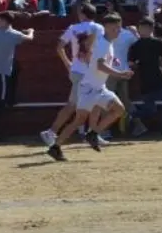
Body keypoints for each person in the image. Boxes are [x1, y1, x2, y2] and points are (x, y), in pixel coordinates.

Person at [46, 12, 132, 161]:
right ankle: (56, 147)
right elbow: (100, 65)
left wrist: (113, 61)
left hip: (99, 87)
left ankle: (93, 133)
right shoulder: (103, 44)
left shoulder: (107, 42)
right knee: (79, 120)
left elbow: (97, 59)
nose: (118, 31)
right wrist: (119, 73)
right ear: (106, 28)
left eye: (119, 27)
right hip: (89, 88)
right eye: (115, 28)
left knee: (119, 109)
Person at [40, 3, 100, 147]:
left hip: (78, 70)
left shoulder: (73, 28)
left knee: (93, 102)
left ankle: (92, 134)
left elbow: (59, 47)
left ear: (82, 14)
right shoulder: (98, 28)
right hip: (89, 72)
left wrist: (68, 63)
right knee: (76, 104)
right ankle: (51, 131)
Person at [127, 18, 162, 138]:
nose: (142, 30)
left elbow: (131, 64)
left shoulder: (135, 46)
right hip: (158, 79)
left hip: (146, 81)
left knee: (151, 110)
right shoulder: (158, 42)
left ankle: (132, 115)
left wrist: (138, 65)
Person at [0, 11, 34, 140]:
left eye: (0, 20)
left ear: (6, 22)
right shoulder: (13, 35)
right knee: (2, 101)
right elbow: (30, 38)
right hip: (1, 70)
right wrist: (31, 31)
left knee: (3, 98)